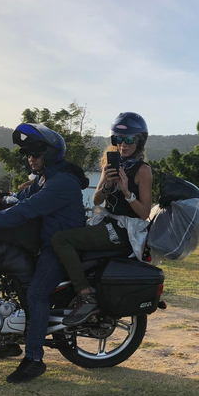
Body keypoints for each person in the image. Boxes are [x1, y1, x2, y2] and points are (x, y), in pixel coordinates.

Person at [0, 123, 87, 383]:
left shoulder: (62, 181)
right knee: (10, 278)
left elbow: (30, 207)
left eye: (36, 153)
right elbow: (22, 197)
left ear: (51, 154)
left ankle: (34, 360)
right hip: (43, 244)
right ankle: (8, 340)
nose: (31, 158)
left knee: (37, 293)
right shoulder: (45, 178)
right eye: (28, 154)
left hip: (59, 248)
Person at [51, 112, 153, 326]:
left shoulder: (143, 171)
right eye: (118, 139)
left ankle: (85, 294)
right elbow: (97, 200)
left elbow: (144, 212)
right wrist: (107, 185)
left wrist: (126, 192)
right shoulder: (110, 165)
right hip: (107, 222)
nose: (123, 145)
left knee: (61, 239)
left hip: (125, 229)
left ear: (139, 141)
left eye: (128, 140)